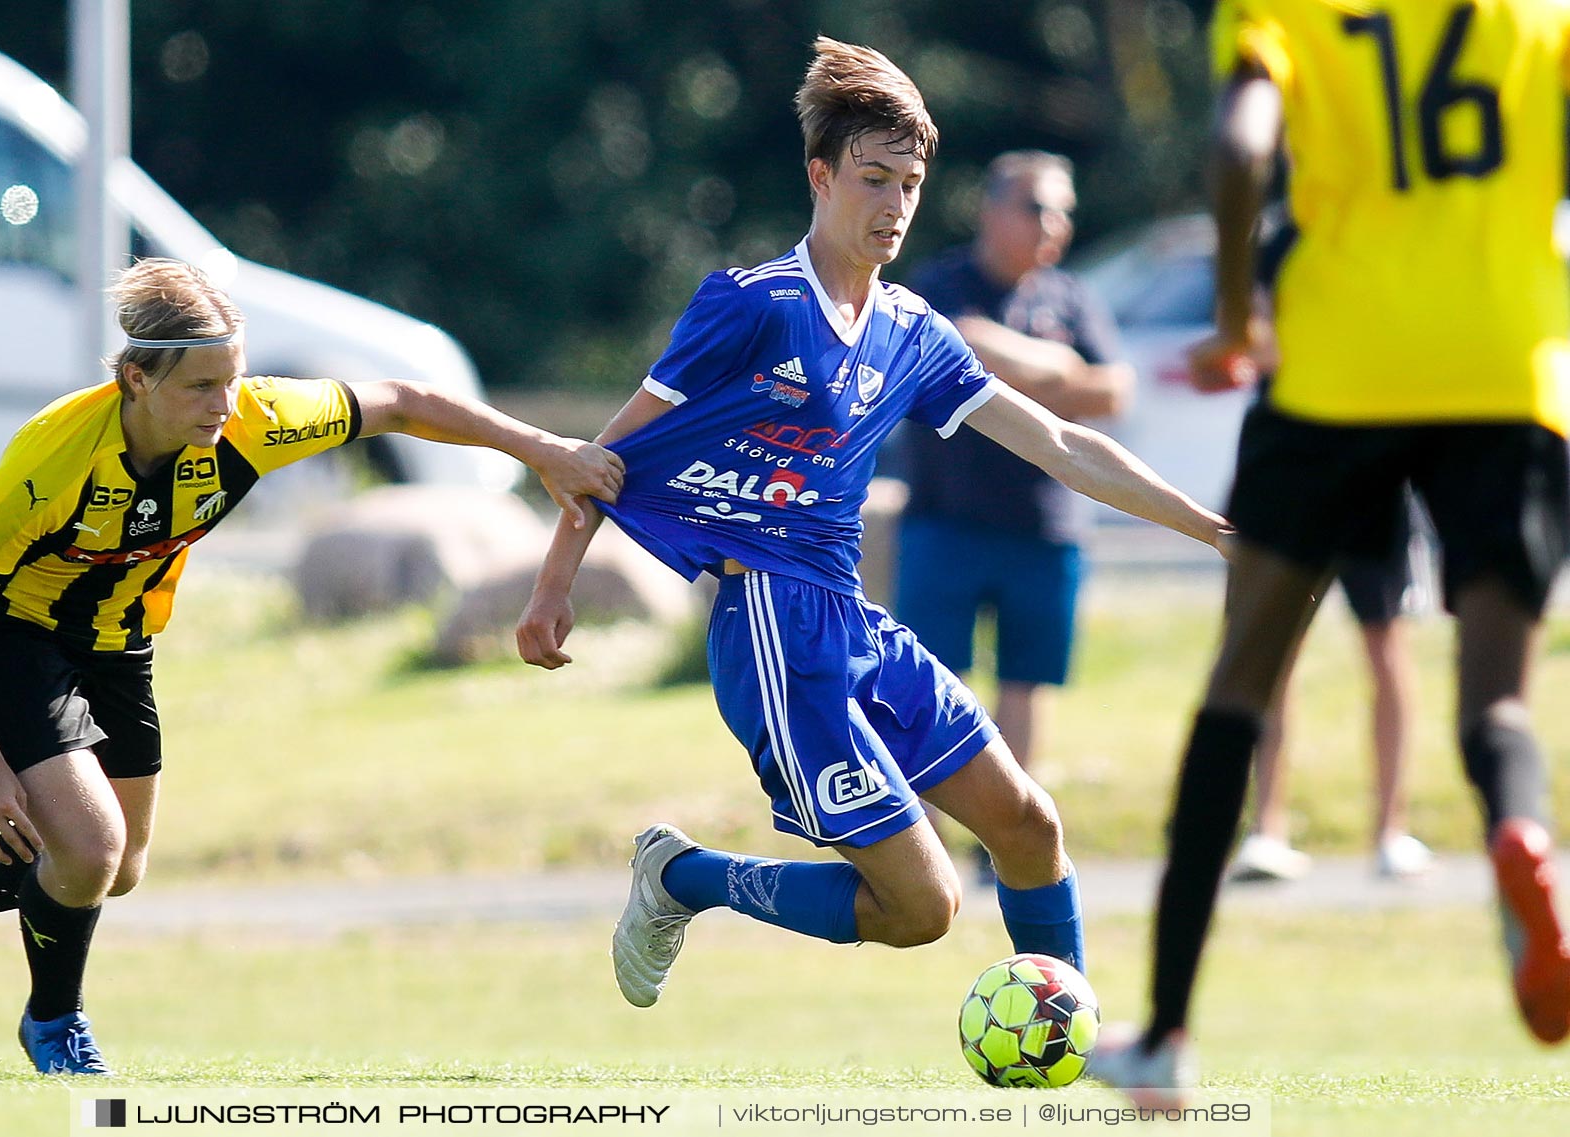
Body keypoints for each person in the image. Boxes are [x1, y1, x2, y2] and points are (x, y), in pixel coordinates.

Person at [514, 36, 1227, 1011]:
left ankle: (1074, 1040)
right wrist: (555, 585)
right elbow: (607, 458)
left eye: (910, 185)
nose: (892, 206)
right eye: (873, 179)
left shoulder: (913, 329)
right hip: (770, 634)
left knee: (1028, 824)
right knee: (924, 908)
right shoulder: (751, 307)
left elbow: (1062, 443)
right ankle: (681, 878)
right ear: (821, 175)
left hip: (853, 625)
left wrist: (1214, 529)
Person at [0, 257, 625, 1075]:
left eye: (232, 380)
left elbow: (405, 402)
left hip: (121, 639)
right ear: (136, 378)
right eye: (201, 387)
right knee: (88, 849)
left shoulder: (255, 420)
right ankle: (56, 1024)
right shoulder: (51, 463)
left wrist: (540, 447)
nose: (225, 405)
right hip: (15, 636)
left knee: (116, 869)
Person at [1088, 0, 1570, 1103]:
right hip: (1506, 368)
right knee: (1496, 704)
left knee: (1239, 690)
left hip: (1338, 370)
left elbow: (1239, 145)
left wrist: (1235, 315)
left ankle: (1164, 1034)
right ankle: (1522, 837)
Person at [893, 152, 1134, 877]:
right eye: (1035, 208)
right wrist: (1052, 368)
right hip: (948, 520)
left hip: (1044, 523)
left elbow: (1114, 390)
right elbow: (952, 341)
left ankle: (1003, 840)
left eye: (1062, 211)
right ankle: (919, 847)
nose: (1050, 225)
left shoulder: (1071, 296)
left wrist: (1020, 363)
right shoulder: (941, 283)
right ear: (990, 211)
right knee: (931, 682)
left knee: (1026, 685)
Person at [1232, 497, 1435, 882]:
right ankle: (1267, 832)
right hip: (1297, 478)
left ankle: (1392, 833)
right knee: (1274, 647)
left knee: (1386, 643)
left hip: (1377, 482)